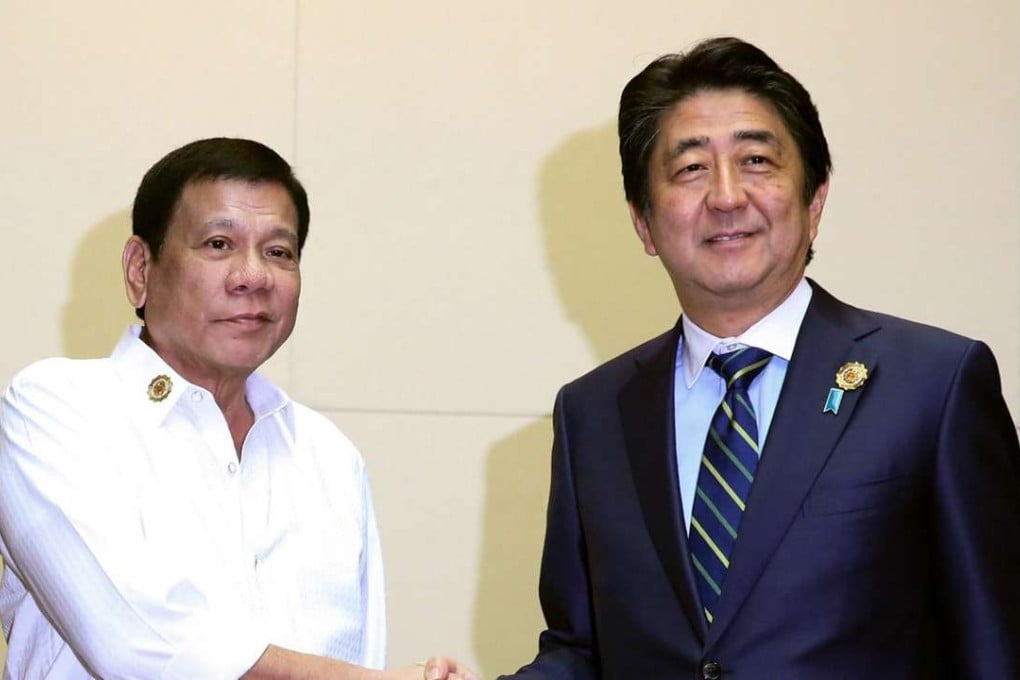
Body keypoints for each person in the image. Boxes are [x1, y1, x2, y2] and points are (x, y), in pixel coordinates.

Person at [504, 37, 1020, 678]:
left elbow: (996, 646)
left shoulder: (934, 386)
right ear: (642, 221)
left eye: (756, 160)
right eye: (690, 168)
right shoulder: (592, 415)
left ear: (815, 200)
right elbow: (581, 651)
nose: (725, 196)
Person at [0, 138, 475, 680]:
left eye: (279, 252)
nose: (253, 276)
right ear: (140, 268)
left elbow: (358, 654)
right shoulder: (57, 409)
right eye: (219, 243)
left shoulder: (328, 456)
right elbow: (144, 646)